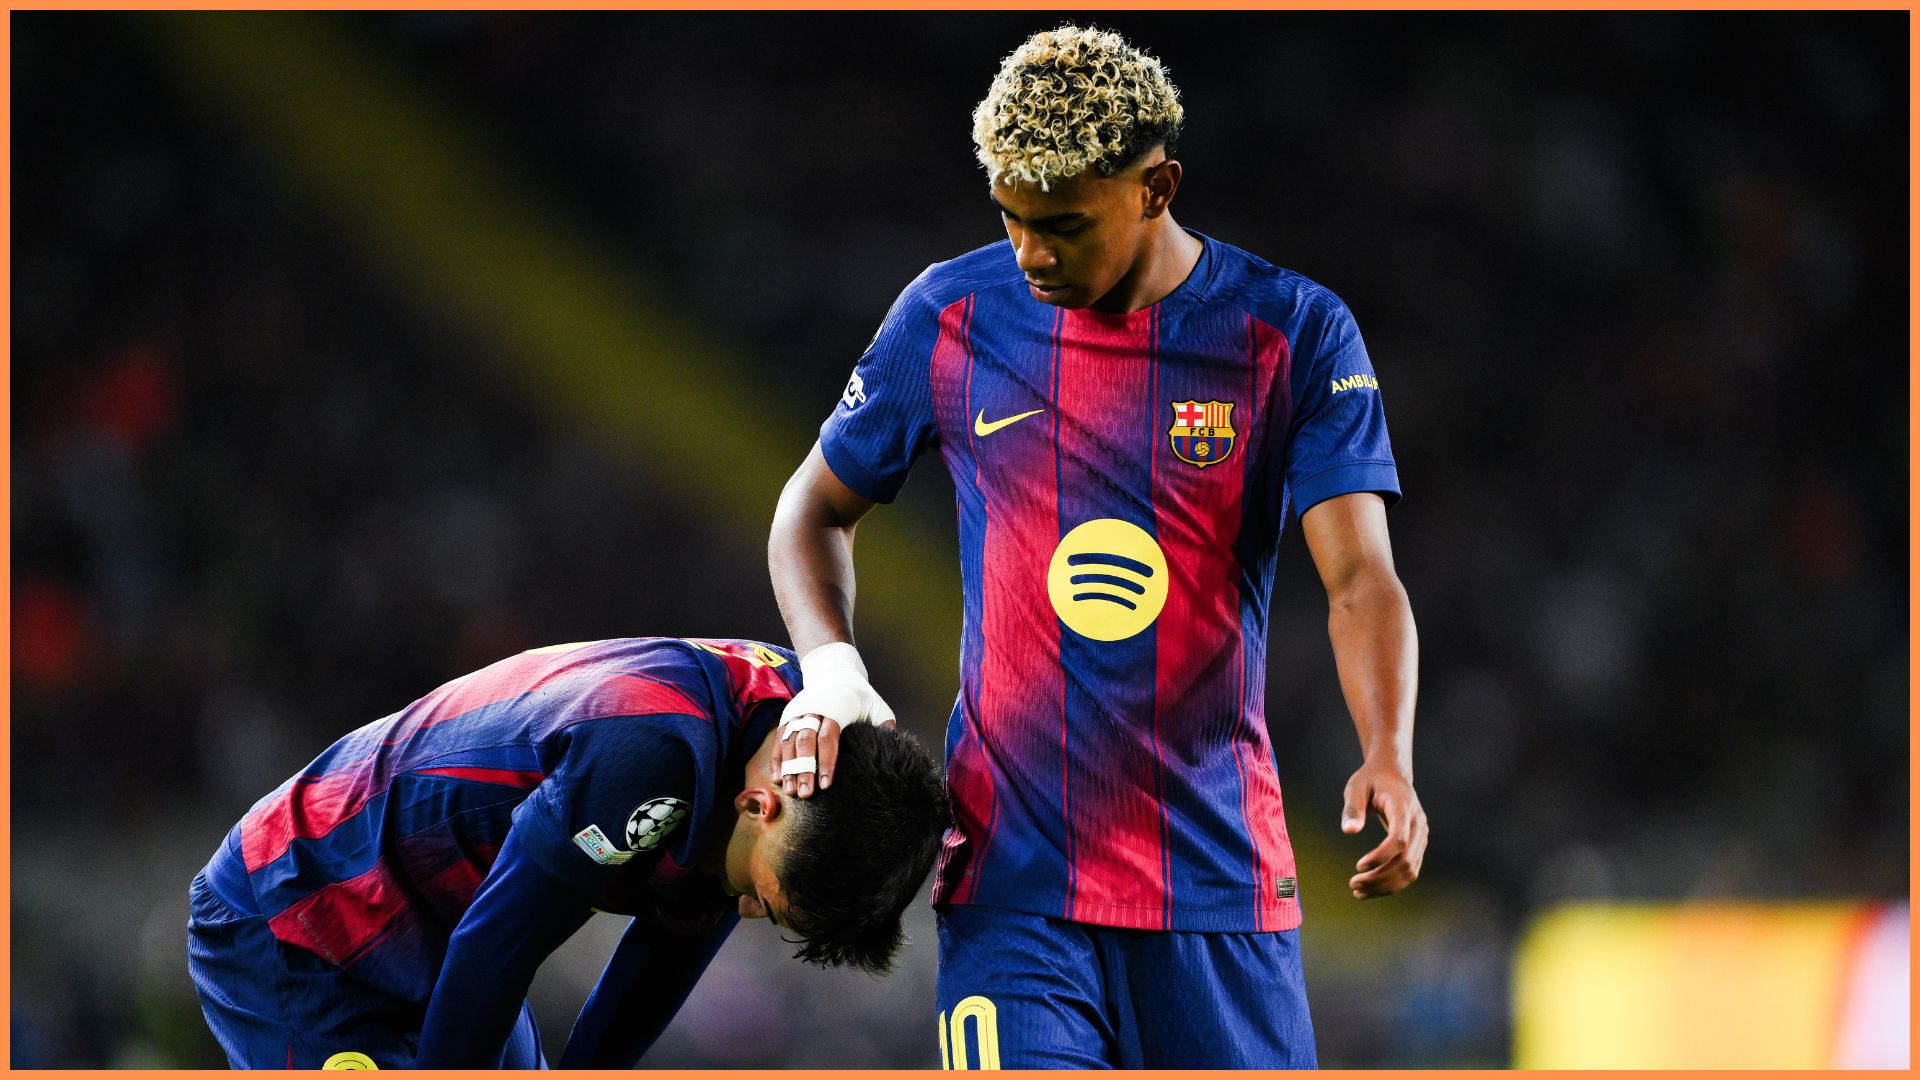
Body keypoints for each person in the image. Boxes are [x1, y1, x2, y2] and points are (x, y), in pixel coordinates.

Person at [766, 25, 1426, 1069]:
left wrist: (1387, 750)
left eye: (1064, 226)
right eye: (1013, 221)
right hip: (1010, 886)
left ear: (1158, 186)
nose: (1032, 255)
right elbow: (811, 508)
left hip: (1215, 888)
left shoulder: (1290, 332)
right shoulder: (951, 314)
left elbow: (1360, 578)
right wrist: (832, 672)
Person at [186, 636, 945, 1069]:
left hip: (439, 942)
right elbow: (497, 946)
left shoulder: (786, 760)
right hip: (306, 913)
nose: (741, 910)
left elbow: (652, 975)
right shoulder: (650, 752)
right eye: (762, 899)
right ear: (759, 805)